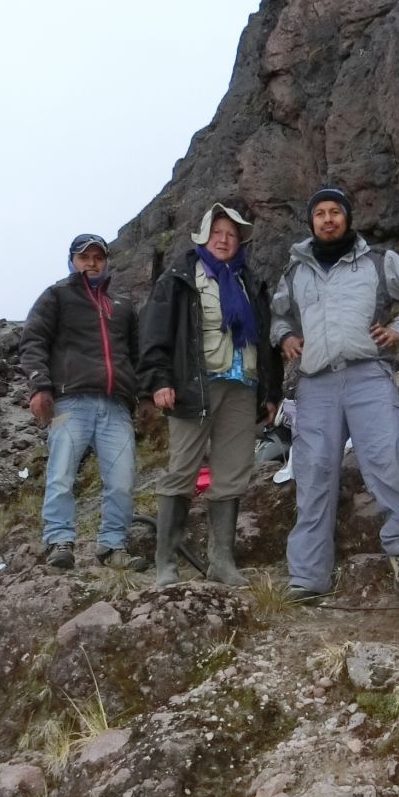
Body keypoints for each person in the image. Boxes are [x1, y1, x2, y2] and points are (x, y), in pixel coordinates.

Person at [271, 186, 399, 600]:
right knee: (313, 472)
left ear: (347, 217)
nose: (328, 219)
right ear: (311, 222)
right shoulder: (295, 271)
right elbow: (278, 316)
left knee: (390, 455)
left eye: (335, 212)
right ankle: (309, 576)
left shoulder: (378, 261)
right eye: (320, 213)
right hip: (315, 384)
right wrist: (286, 337)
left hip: (369, 374)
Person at [139, 202, 281, 587]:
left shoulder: (249, 282)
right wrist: (159, 380)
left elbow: (265, 341)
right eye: (217, 233)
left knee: (233, 473)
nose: (224, 240)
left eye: (232, 235)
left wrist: (270, 392)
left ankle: (222, 561)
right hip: (193, 386)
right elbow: (155, 334)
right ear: (203, 236)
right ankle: (166, 565)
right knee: (182, 471)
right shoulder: (179, 278)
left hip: (242, 388)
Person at [20, 233, 141, 570]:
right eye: (84, 257)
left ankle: (113, 546)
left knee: (122, 479)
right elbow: (33, 341)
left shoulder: (123, 306)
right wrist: (39, 387)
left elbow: (136, 355)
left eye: (98, 257)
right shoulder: (56, 296)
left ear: (106, 261)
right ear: (72, 261)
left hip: (116, 405)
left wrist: (140, 395)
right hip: (68, 402)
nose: (92, 263)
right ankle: (59, 541)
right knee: (61, 474)